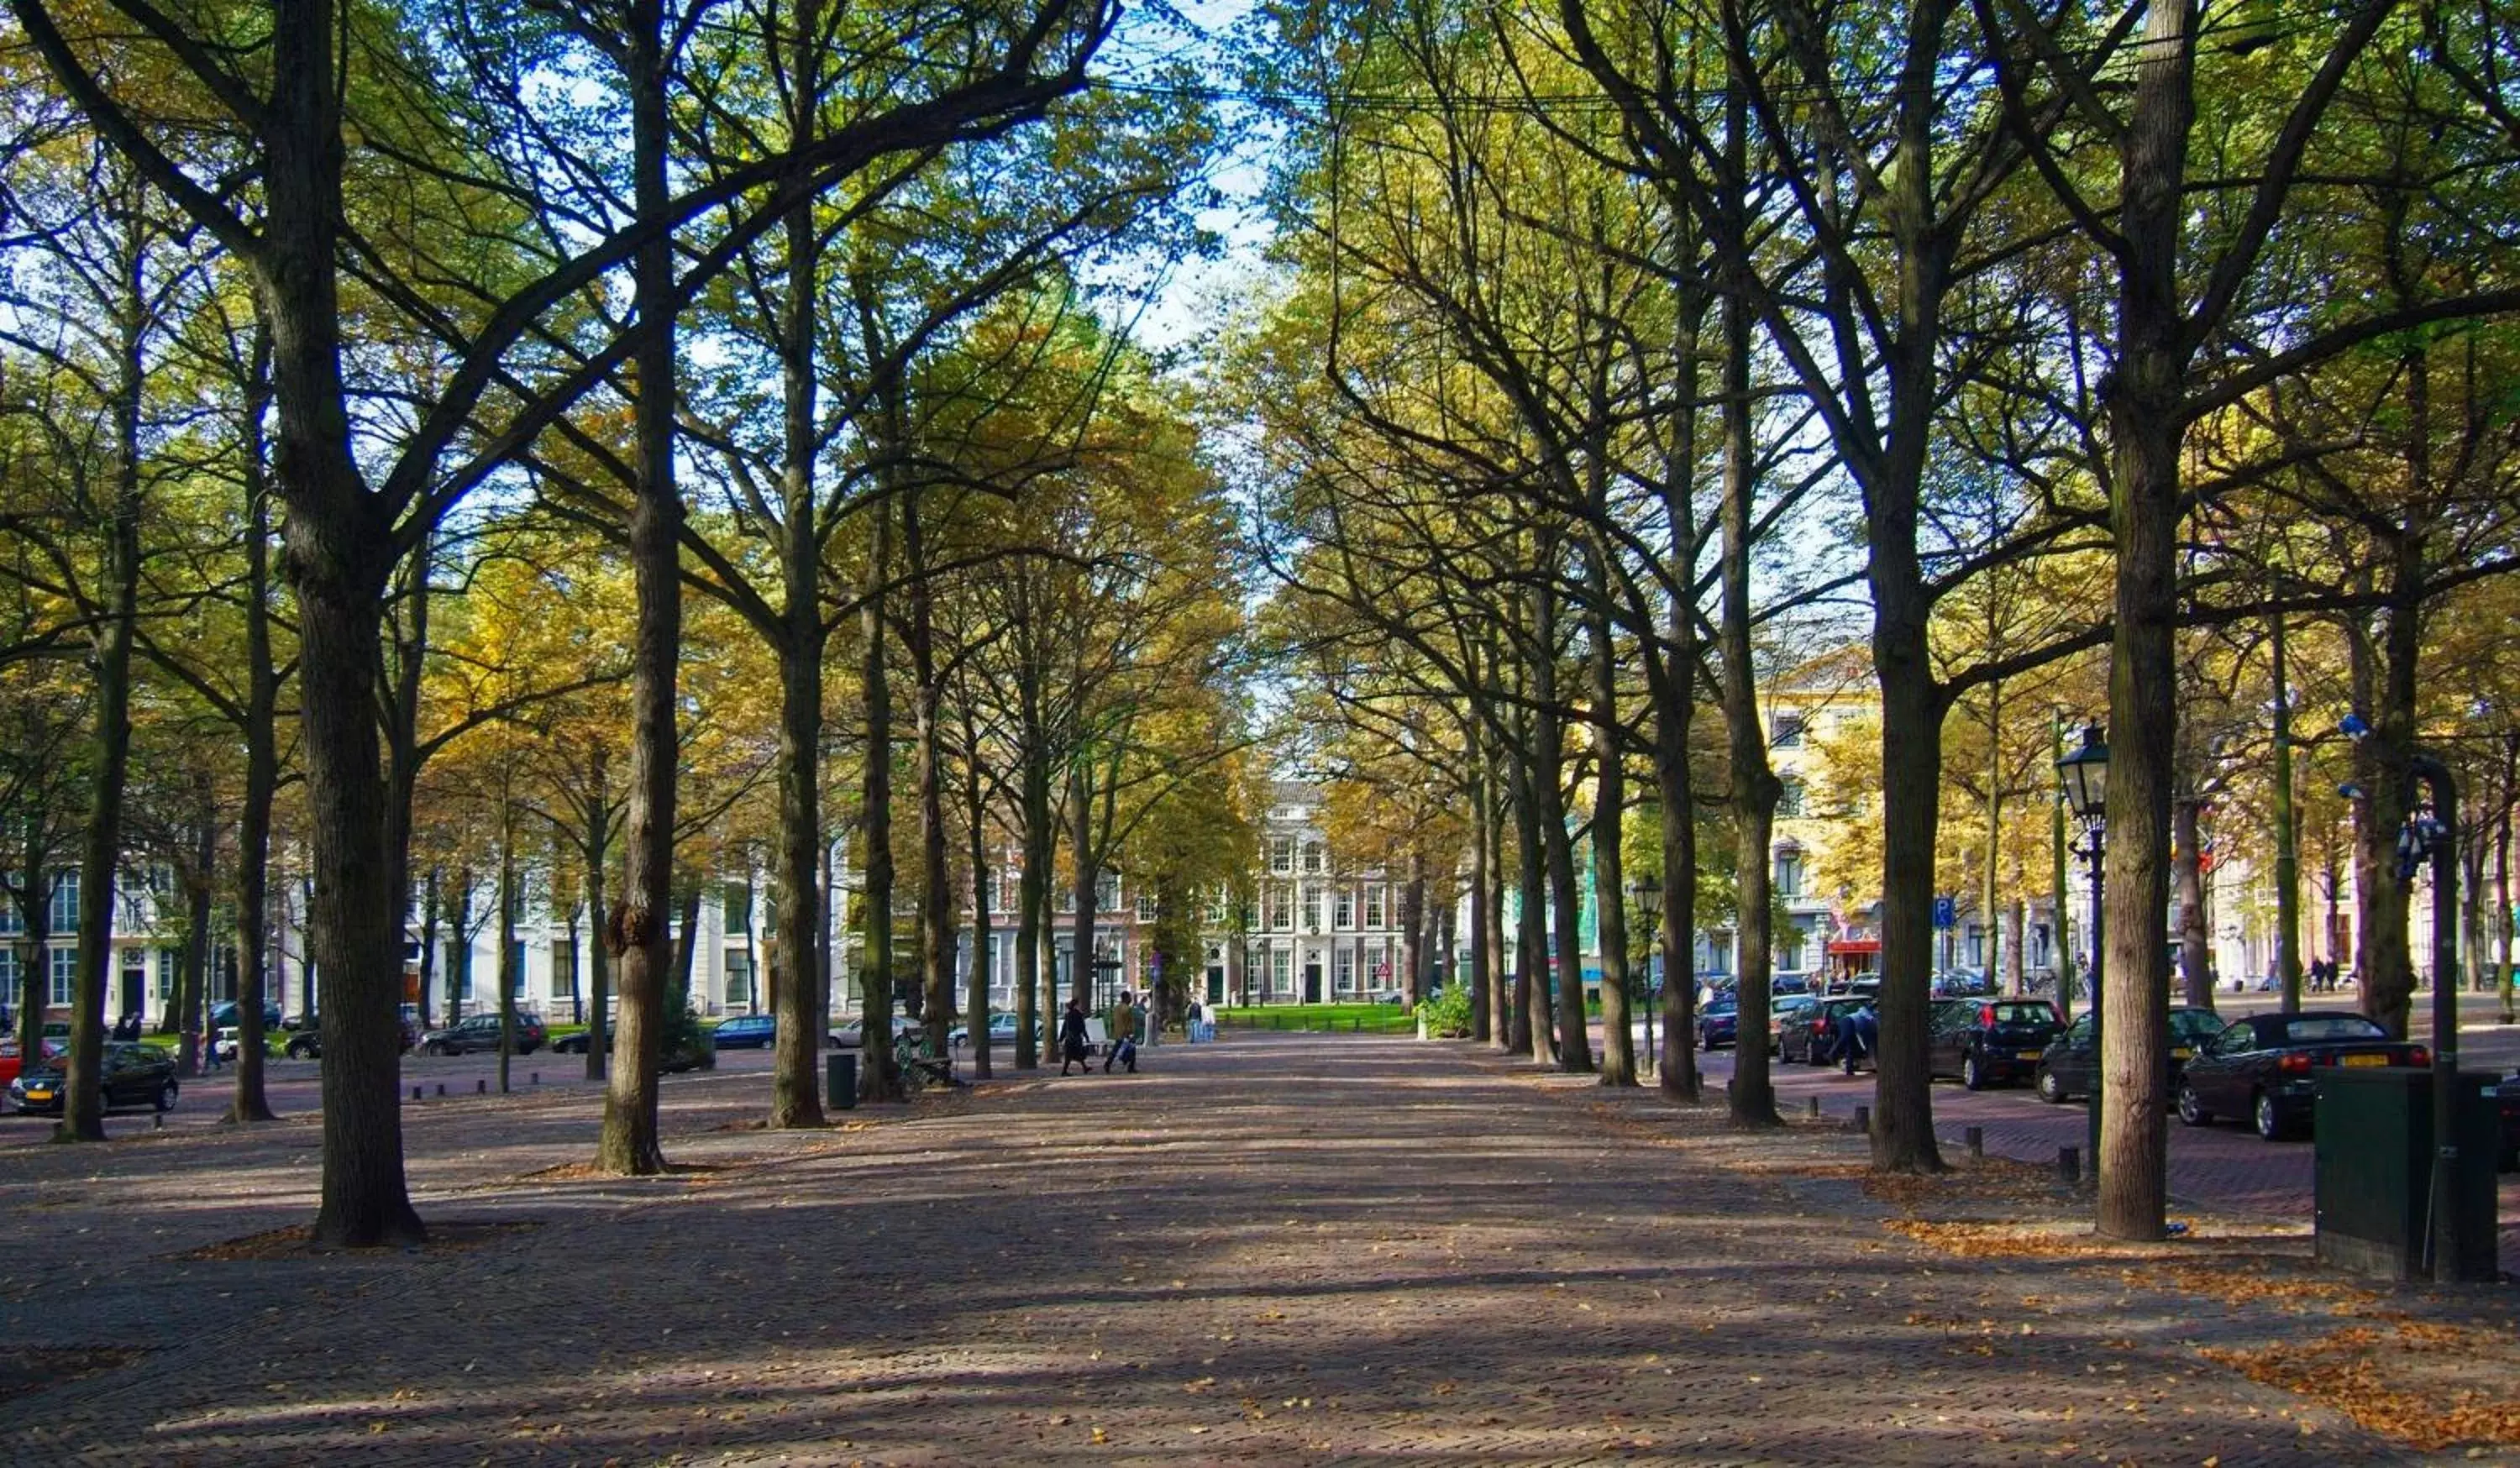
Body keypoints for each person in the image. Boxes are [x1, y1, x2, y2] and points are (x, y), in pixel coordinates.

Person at [1058, 998, 1092, 1076]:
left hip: (1069, 1037)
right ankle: (1065, 1071)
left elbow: (1064, 1028)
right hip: (1076, 1037)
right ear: (1076, 1005)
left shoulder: (1068, 1015)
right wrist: (1086, 1037)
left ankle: (1084, 1068)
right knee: (1077, 1054)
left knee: (1070, 1055)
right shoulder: (1079, 1015)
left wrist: (1061, 1038)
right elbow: (1082, 1027)